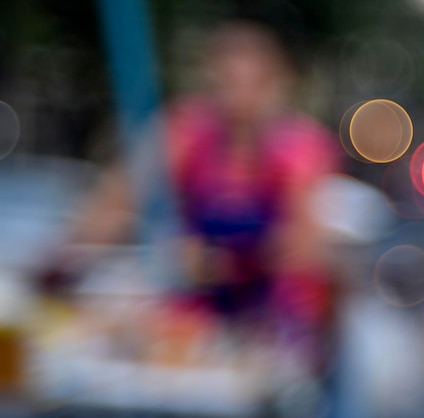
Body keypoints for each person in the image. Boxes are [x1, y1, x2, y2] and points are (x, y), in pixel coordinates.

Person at [39, 20, 340, 385]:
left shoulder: (300, 148)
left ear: (278, 84)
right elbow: (114, 205)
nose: (240, 97)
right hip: (197, 320)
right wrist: (65, 260)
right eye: (227, 81)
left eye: (253, 83)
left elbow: (304, 244)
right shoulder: (185, 131)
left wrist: (226, 259)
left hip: (272, 322)